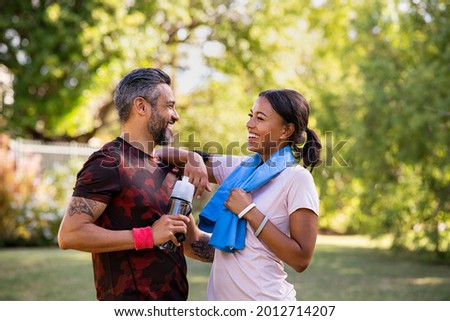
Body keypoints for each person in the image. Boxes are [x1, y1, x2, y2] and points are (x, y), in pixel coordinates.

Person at [57, 68, 213, 301]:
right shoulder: (109, 162)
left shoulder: (166, 168)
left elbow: (192, 244)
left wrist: (255, 239)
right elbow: (70, 235)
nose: (176, 115)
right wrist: (148, 235)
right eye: (169, 106)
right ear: (141, 106)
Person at [158, 88, 321, 300]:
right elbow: (161, 154)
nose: (250, 124)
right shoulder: (241, 169)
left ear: (286, 130)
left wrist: (248, 211)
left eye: (260, 118)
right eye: (250, 116)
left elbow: (301, 259)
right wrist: (193, 158)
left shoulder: (296, 179)